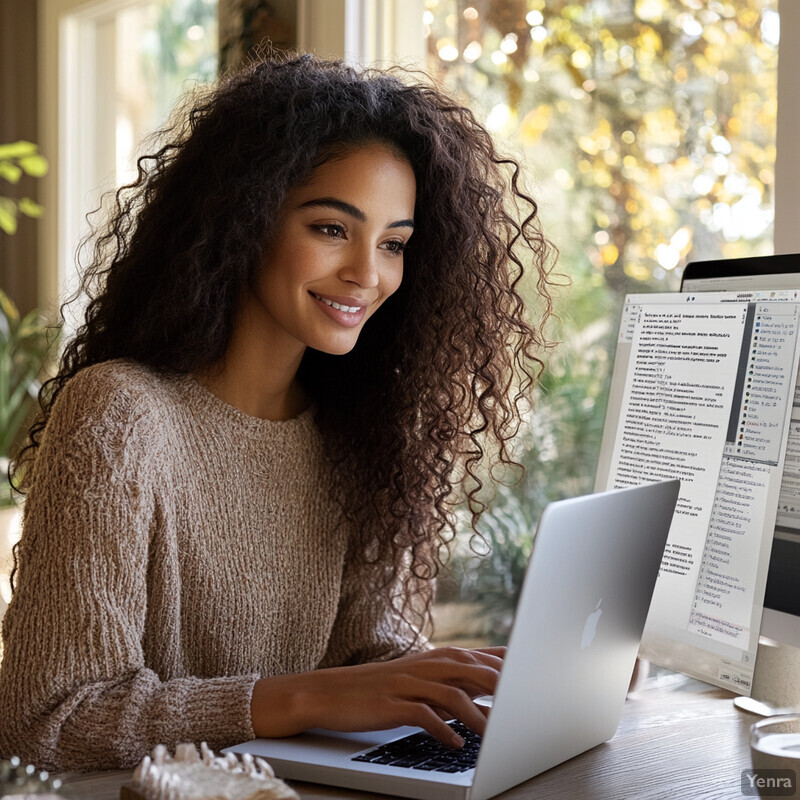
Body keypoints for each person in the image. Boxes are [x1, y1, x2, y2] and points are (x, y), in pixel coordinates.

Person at [0, 53, 555, 772]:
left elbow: (365, 657)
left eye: (394, 244)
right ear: (244, 218)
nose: (367, 273)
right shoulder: (120, 415)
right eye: (331, 228)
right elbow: (49, 720)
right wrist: (301, 699)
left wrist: (492, 680)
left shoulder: (357, 434)